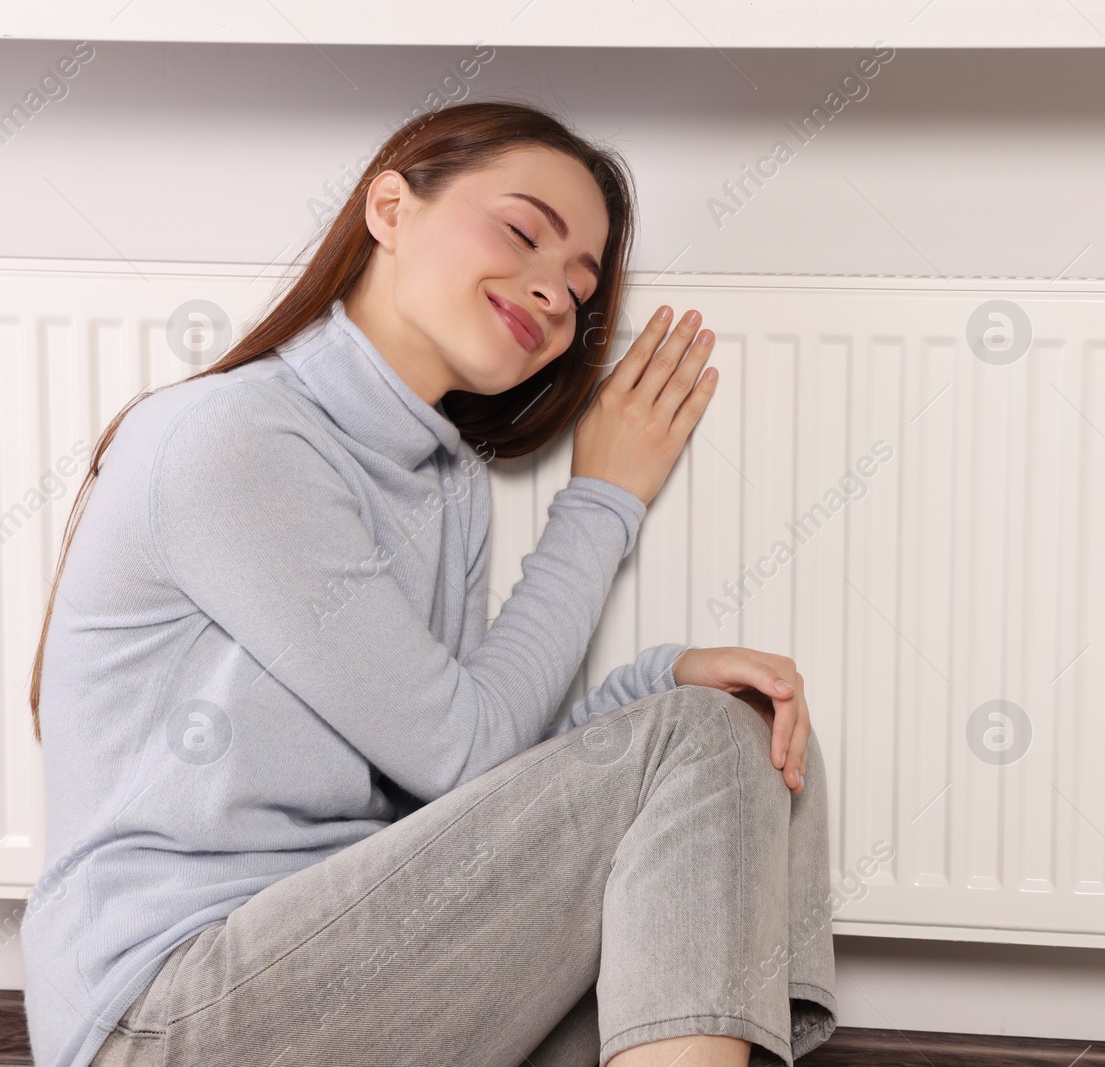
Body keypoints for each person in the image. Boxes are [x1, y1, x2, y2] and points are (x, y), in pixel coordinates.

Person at [20, 99, 836, 1067]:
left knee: (740, 725)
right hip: (167, 1014)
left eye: (578, 289)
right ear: (390, 210)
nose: (552, 294)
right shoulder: (231, 439)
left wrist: (659, 678)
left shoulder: (447, 485)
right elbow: (460, 754)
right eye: (523, 232)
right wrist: (600, 503)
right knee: (694, 740)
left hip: (341, 971)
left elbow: (448, 786)